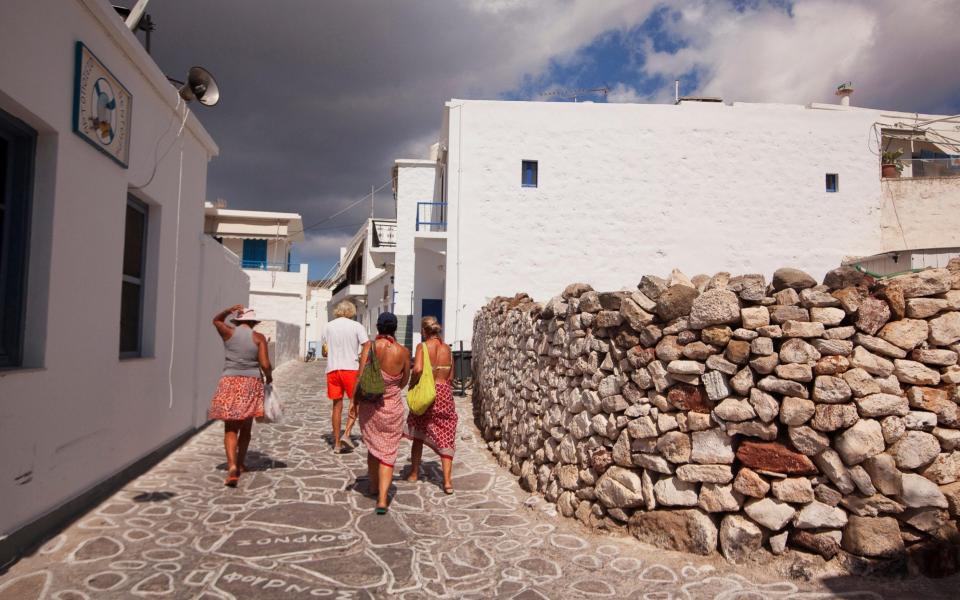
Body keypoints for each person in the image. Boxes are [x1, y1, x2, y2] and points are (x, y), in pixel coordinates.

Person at [209, 305, 272, 487]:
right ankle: (242, 463)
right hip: (251, 383)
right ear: (252, 322)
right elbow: (265, 364)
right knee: (246, 426)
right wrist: (268, 377)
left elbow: (216, 320)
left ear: (237, 321)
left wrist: (228, 310)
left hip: (229, 381)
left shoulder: (228, 333)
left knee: (230, 427)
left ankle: (232, 467)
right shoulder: (258, 337)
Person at [357, 312, 410, 514]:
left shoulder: (370, 347)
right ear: (395, 328)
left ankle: (372, 485)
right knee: (387, 452)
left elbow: (361, 375)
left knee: (372, 445)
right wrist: (391, 385)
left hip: (370, 406)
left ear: (378, 328)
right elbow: (404, 381)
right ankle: (382, 499)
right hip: (392, 407)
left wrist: (355, 401)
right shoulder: (403, 352)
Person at [403, 316, 458, 494]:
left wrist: (412, 383)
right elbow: (451, 376)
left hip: (427, 393)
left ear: (425, 331)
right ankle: (448, 482)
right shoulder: (447, 349)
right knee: (446, 434)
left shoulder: (422, 347)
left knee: (419, 433)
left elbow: (418, 369)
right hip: (444, 394)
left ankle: (413, 473)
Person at [322, 300, 370, 453]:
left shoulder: (328, 326)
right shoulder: (357, 326)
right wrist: (362, 357)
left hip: (333, 369)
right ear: (352, 311)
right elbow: (367, 344)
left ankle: (336, 443)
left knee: (336, 406)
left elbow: (325, 350)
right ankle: (347, 434)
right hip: (351, 368)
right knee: (355, 403)